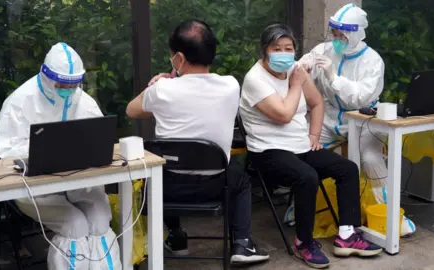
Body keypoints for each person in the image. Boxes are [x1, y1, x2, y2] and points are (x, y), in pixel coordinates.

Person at [126, 19, 270, 265]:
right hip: (215, 185)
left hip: (167, 188)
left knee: (162, 170)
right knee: (242, 180)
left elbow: (132, 110)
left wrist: (159, 82)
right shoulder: (230, 86)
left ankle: (177, 237)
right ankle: (242, 244)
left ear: (179, 58)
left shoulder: (162, 91)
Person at [240, 24, 382, 269]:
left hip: (299, 146)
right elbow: (284, 114)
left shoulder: (294, 70)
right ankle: (304, 242)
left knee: (346, 169)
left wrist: (314, 133)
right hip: (267, 152)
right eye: (277, 49)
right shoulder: (255, 79)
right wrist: (296, 84)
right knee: (307, 177)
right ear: (265, 50)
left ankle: (347, 235)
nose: (284, 53)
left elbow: (316, 103)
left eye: (289, 48)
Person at [0, 42, 121, 269]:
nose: (68, 90)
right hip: (36, 189)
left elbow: (100, 137)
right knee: (75, 225)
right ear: (46, 76)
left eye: (73, 84)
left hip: (80, 182)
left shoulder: (82, 99)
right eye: (62, 84)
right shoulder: (20, 101)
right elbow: (4, 152)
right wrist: (38, 152)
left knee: (100, 221)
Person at [298, 3, 415, 237]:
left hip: (363, 120)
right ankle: (303, 211)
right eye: (335, 34)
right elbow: (301, 67)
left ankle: (389, 217)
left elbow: (360, 98)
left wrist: (334, 77)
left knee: (371, 158)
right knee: (304, 149)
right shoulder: (325, 49)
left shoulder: (372, 61)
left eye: (343, 35)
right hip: (329, 118)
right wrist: (303, 66)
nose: (337, 39)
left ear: (357, 34)